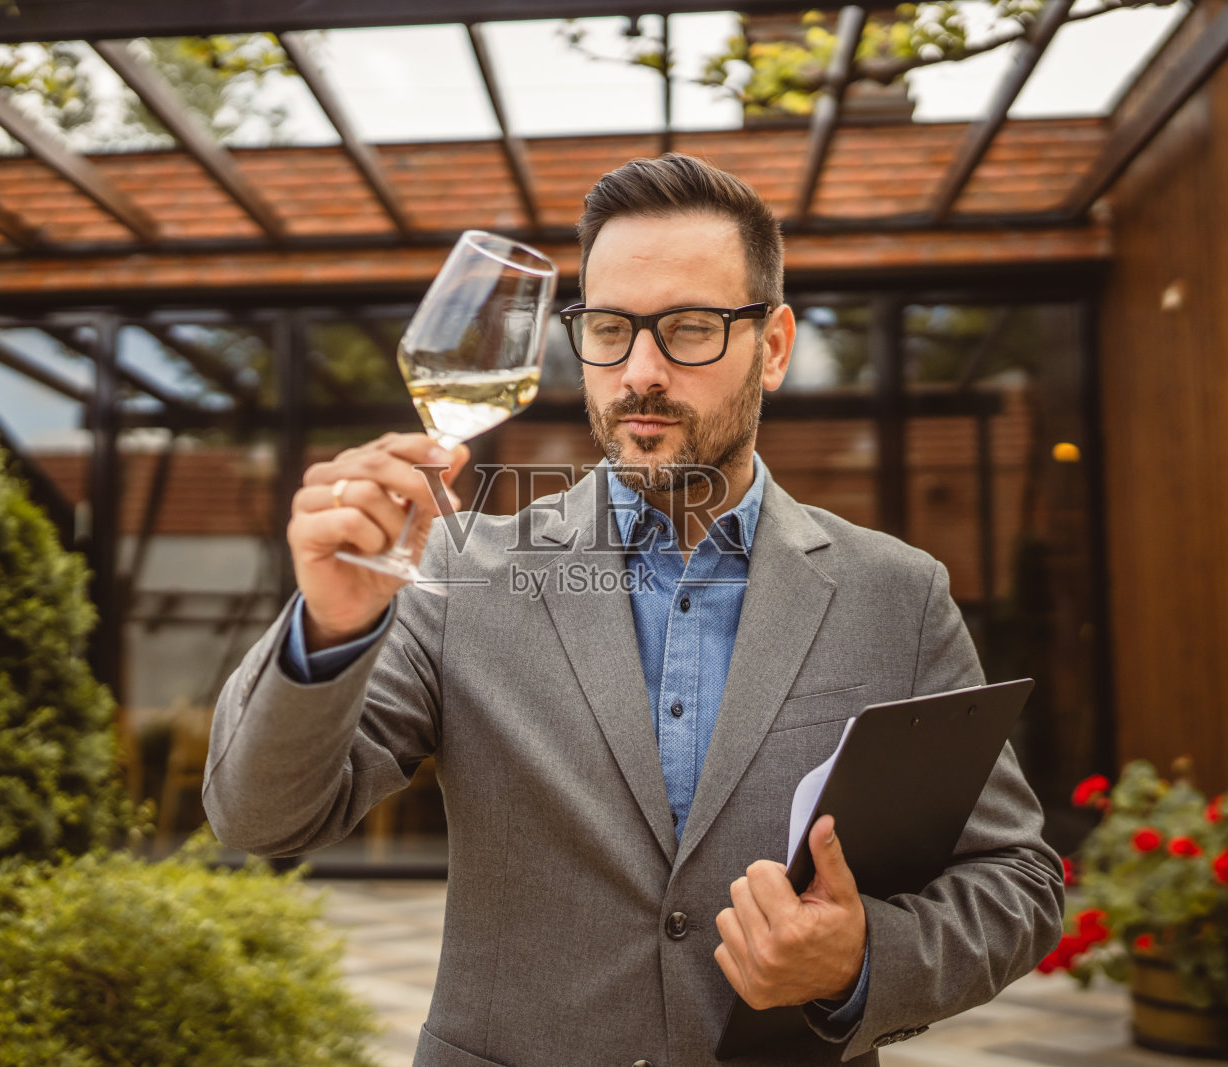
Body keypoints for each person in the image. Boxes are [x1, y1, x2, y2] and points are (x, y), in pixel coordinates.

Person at [204, 153, 1064, 1067]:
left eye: (689, 328)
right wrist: (331, 628)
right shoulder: (457, 570)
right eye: (609, 329)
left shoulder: (897, 592)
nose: (639, 372)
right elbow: (261, 819)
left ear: (773, 347)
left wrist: (858, 961)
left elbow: (1017, 880)